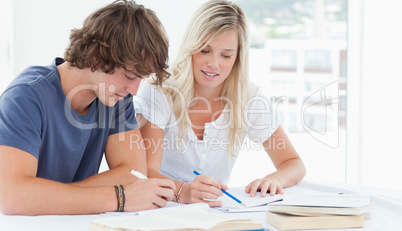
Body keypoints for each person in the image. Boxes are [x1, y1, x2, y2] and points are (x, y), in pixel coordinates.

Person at [0, 0, 176, 215]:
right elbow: (12, 197)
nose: (134, 90)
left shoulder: (116, 98)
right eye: (130, 76)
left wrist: (43, 198)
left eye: (141, 79)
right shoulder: (25, 97)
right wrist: (120, 197)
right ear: (95, 56)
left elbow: (133, 173)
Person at [134, 0, 306, 207]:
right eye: (205, 51)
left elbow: (294, 164)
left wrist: (274, 179)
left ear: (237, 58)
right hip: (158, 208)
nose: (213, 64)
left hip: (215, 213)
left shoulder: (249, 97)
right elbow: (144, 171)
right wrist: (182, 191)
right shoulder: (159, 90)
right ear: (191, 47)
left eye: (226, 55)